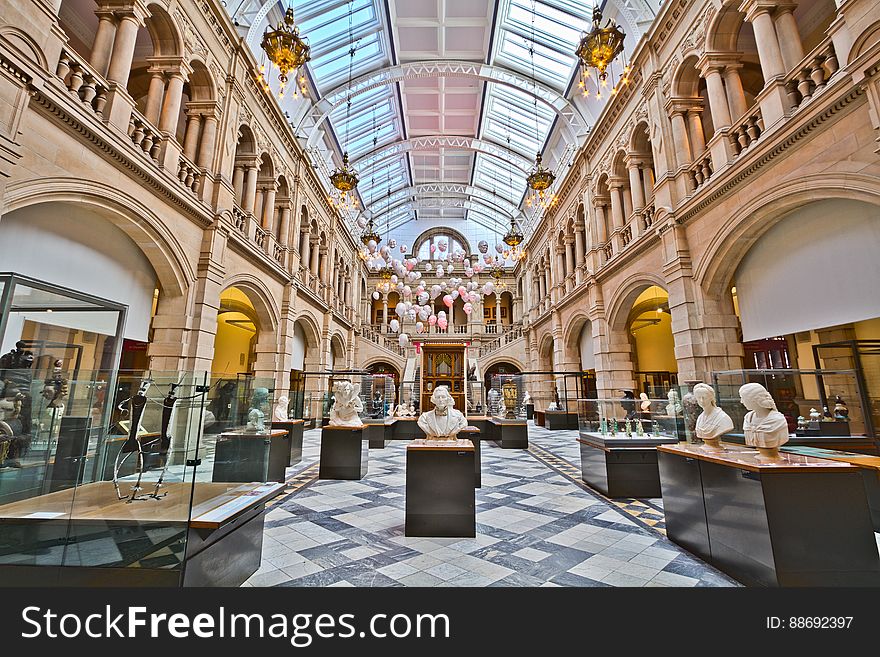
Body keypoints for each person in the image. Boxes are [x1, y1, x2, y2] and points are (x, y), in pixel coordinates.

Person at [740, 382, 789, 457]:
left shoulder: (777, 420)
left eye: (743, 398)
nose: (741, 401)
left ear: (754, 400)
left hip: (773, 459)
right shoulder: (748, 418)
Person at [693, 383, 734, 450]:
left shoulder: (722, 417)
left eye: (704, 397)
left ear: (711, 398)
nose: (701, 401)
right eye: (698, 398)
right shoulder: (700, 418)